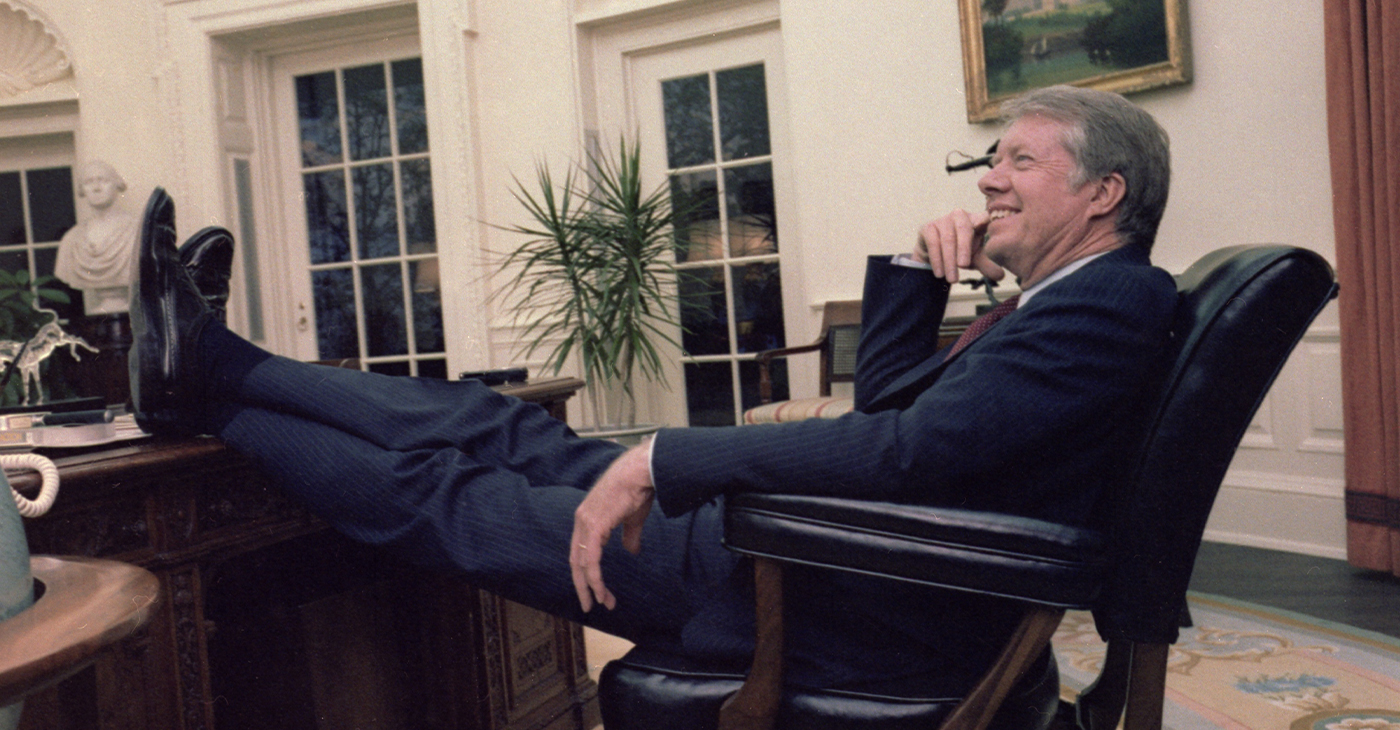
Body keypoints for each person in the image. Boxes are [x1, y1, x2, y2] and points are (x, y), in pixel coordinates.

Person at [128, 85, 1177, 699]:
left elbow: (903, 453)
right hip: (811, 540)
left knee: (442, 491)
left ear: (1100, 193)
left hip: (822, 579)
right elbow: (897, 410)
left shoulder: (1104, 304)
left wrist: (663, 458)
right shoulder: (1072, 298)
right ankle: (213, 361)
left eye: (1018, 163)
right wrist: (919, 274)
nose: (988, 180)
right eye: (987, 162)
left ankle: (209, 397)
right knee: (495, 420)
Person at [55, 160, 142, 315]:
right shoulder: (71, 239)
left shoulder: (138, 231)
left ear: (117, 185)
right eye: (89, 182)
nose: (96, 188)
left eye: (103, 180)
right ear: (82, 190)